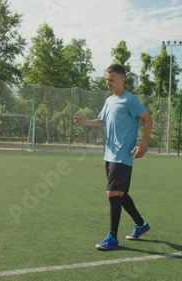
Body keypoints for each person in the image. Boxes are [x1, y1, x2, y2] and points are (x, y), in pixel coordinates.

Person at [73, 64, 153, 251]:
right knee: (120, 194)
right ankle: (141, 224)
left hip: (123, 155)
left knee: (112, 193)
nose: (108, 83)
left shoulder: (130, 100)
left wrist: (142, 143)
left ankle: (112, 237)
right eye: (107, 79)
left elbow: (148, 119)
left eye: (112, 80)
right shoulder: (109, 101)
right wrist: (84, 122)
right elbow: (102, 121)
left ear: (122, 79)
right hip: (109, 154)